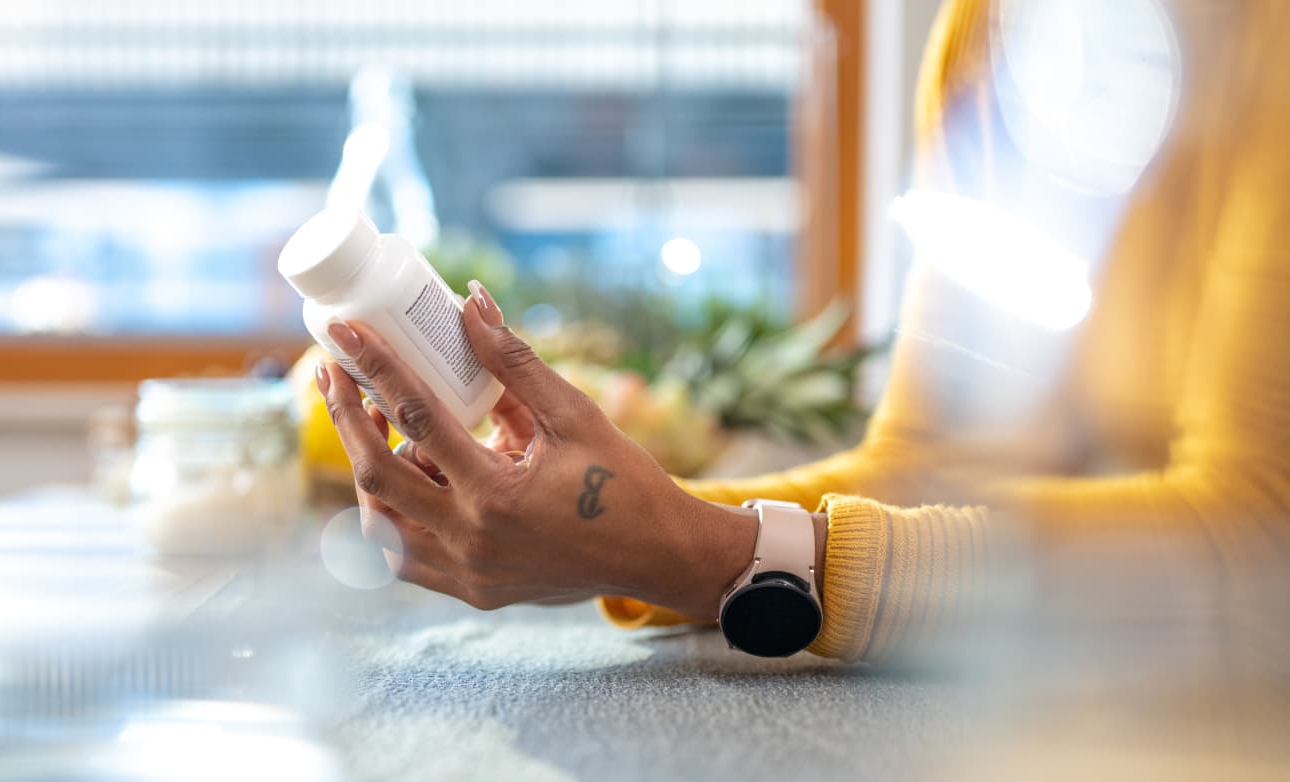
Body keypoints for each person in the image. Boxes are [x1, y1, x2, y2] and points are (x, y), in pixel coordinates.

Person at [314, 0, 1290, 664]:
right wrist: (621, 525)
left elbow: (1261, 548)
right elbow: (932, 461)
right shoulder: (993, 31)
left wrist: (708, 553)